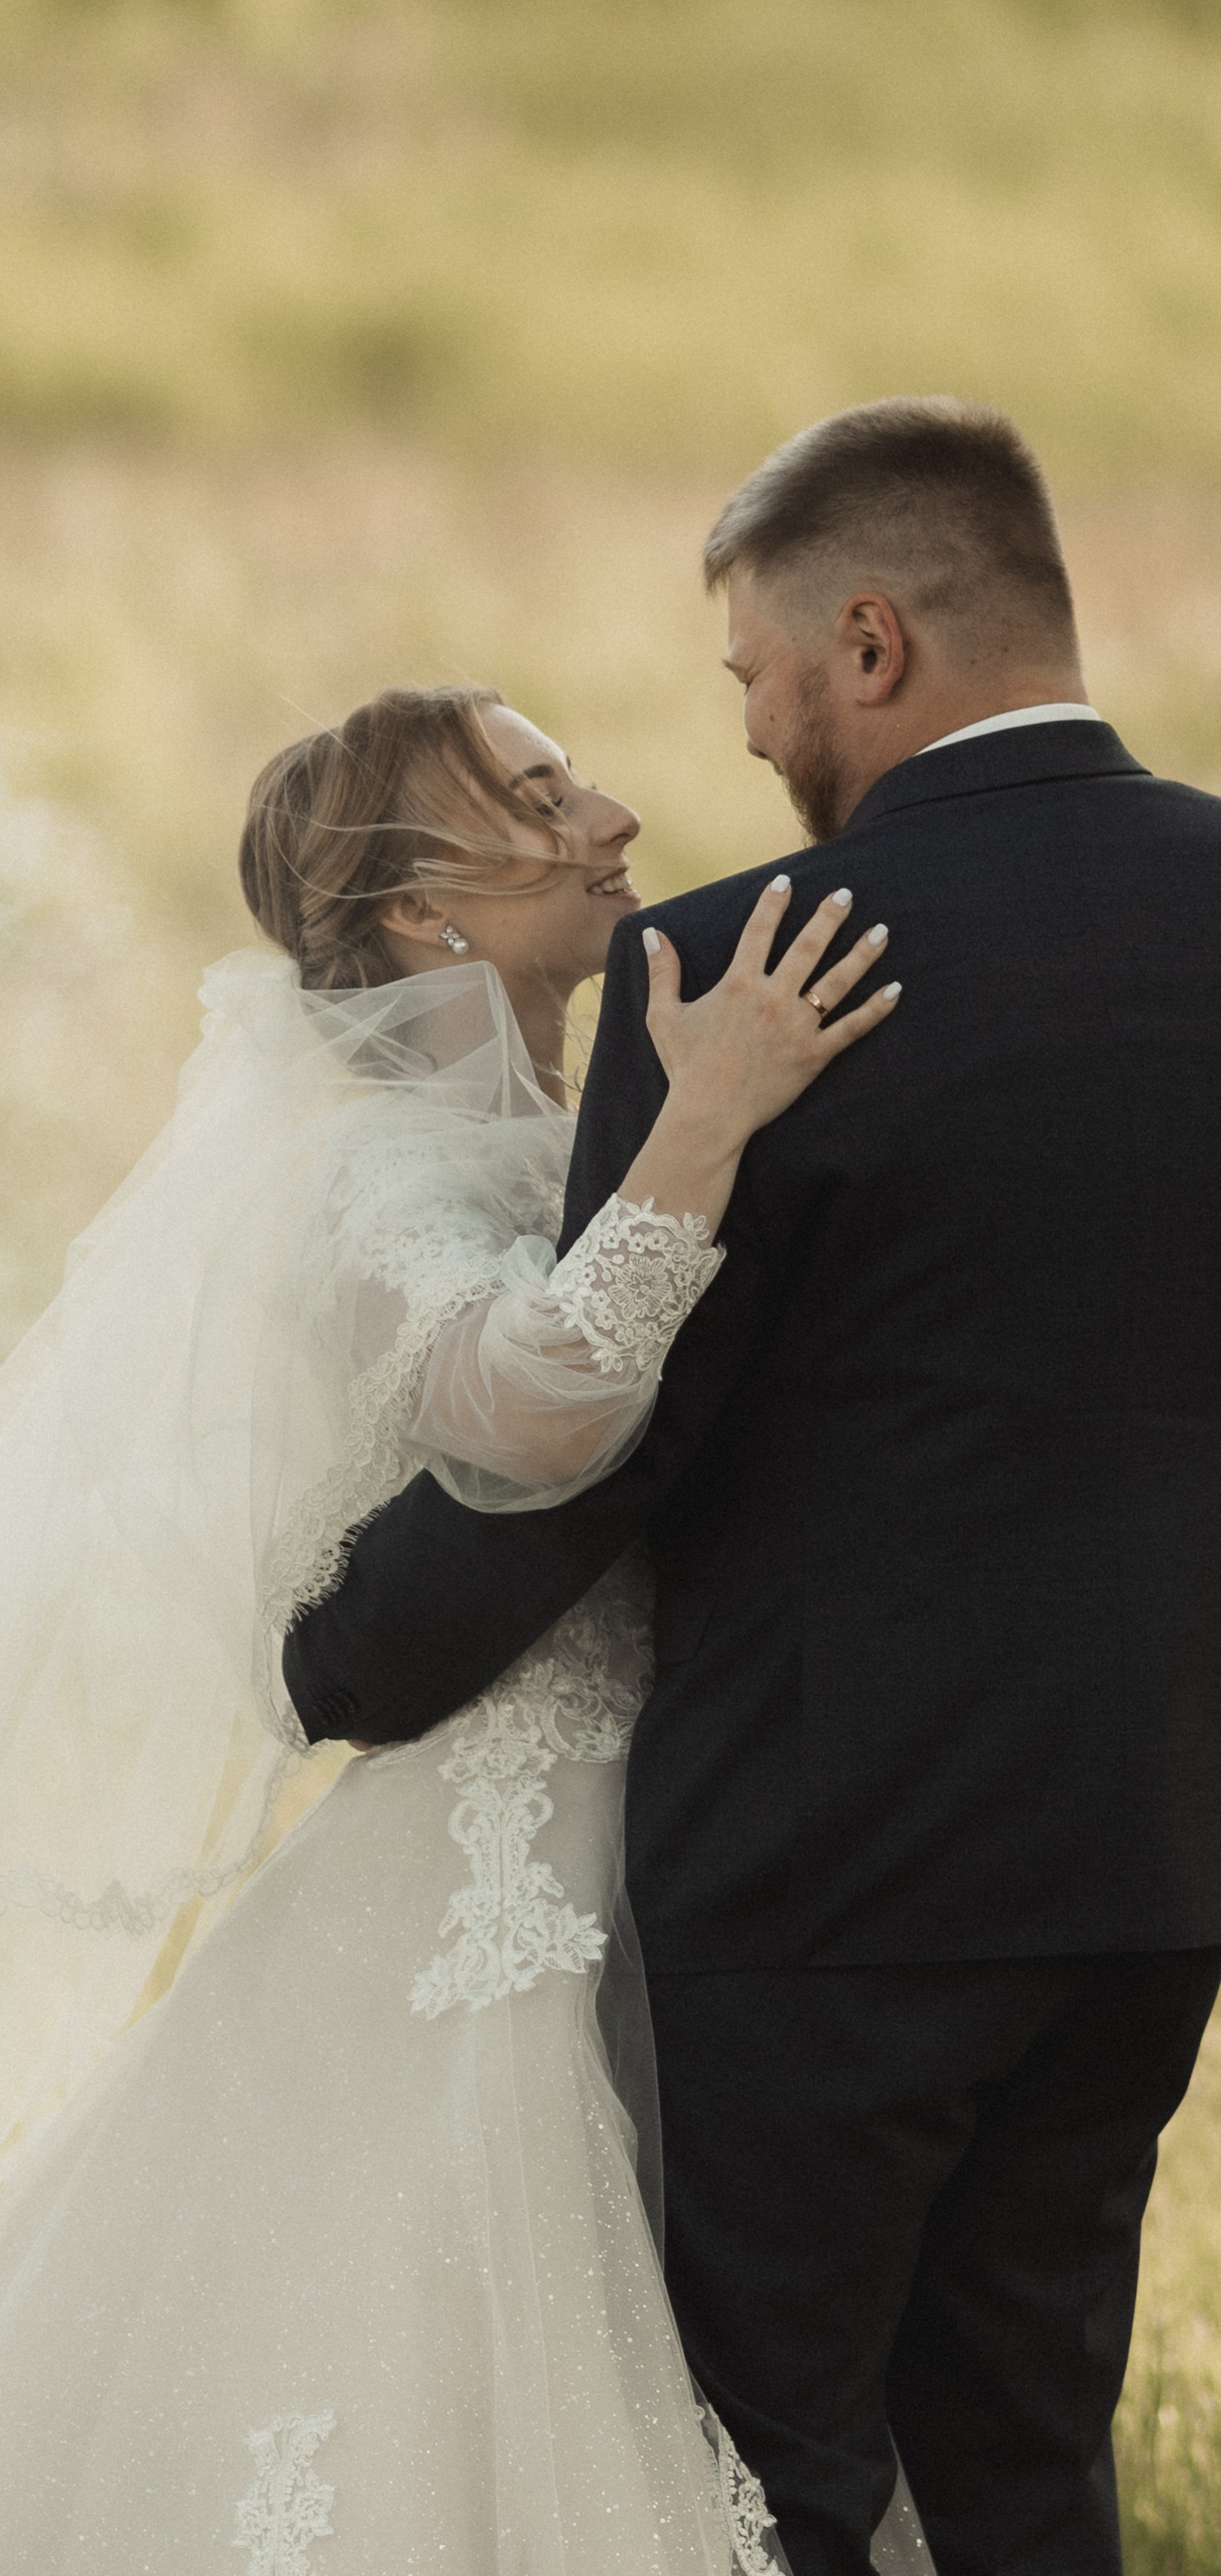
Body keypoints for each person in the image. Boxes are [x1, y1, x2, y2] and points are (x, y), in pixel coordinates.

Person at [0, 684, 905, 2575]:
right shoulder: (368, 1166)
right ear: (416, 915)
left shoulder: (565, 1135)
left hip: (699, 1833)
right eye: (539, 799)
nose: (614, 813)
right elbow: (526, 1407)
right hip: (491, 1874)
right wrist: (702, 1125)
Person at [283, 400, 1221, 2576]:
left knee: (767, 2484)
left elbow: (629, 1431)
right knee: (1014, 2459)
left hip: (825, 1872)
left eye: (753, 678)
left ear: (867, 642)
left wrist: (355, 1650)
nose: (740, 737)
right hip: (1150, 1846)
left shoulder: (747, 958)